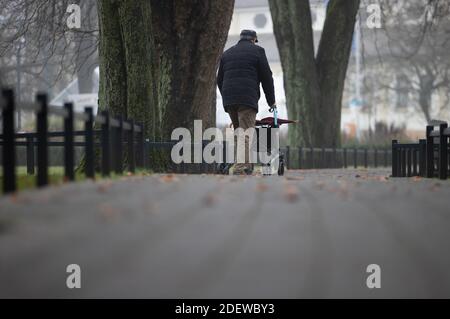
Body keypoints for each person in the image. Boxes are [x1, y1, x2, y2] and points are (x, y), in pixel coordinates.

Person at [217, 29, 276, 175]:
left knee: (240, 133)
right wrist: (271, 101)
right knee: (246, 134)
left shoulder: (227, 53)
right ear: (253, 39)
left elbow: (219, 80)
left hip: (230, 99)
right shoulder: (258, 51)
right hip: (247, 99)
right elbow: (267, 77)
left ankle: (247, 167)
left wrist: (226, 96)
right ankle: (240, 168)